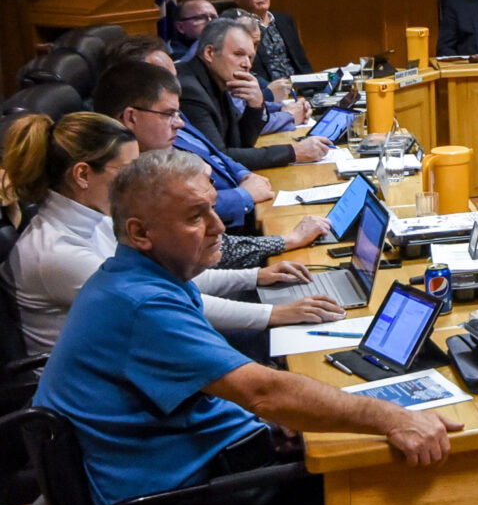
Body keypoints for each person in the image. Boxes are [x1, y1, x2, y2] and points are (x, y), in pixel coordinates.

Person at [32, 149, 459, 505]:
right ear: (140, 233)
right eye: (195, 217)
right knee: (373, 474)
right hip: (177, 494)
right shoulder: (142, 305)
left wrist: (273, 418)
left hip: (188, 453)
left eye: (213, 207)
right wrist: (393, 417)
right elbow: (264, 392)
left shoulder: (141, 276)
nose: (219, 226)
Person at [0, 114, 338, 359]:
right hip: (109, 397)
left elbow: (171, 282)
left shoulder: (92, 217)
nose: (138, 181)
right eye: (127, 170)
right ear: (83, 175)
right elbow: (165, 301)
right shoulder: (56, 255)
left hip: (136, 351)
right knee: (282, 344)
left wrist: (254, 276)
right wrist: (273, 315)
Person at [96, 61, 332, 255]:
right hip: (234, 249)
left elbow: (218, 153)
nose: (179, 121)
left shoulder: (166, 126)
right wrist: (247, 198)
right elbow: (208, 250)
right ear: (131, 118)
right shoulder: (132, 174)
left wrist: (244, 174)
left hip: (247, 229)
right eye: (169, 114)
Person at [179, 18, 330, 170]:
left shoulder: (219, 80)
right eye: (238, 54)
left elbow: (241, 144)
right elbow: (219, 159)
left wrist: (256, 105)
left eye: (250, 57)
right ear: (210, 53)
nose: (247, 64)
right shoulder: (189, 90)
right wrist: (293, 152)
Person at [230, 0, 313, 79]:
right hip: (266, 90)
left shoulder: (284, 20)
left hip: (299, 87)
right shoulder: (233, 25)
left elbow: (301, 61)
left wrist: (315, 84)